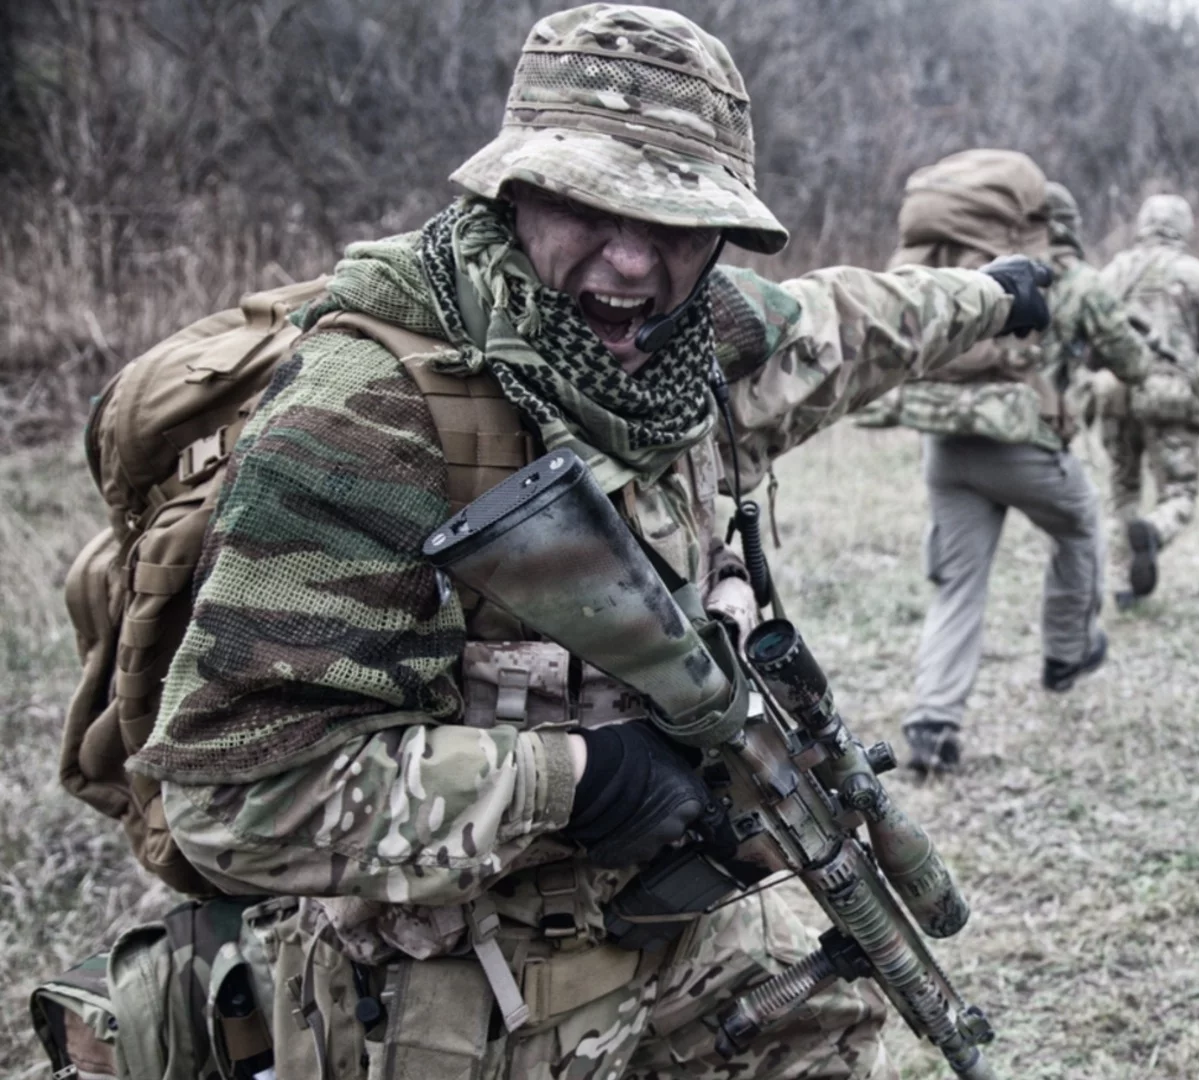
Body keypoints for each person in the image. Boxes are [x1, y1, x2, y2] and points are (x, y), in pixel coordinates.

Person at [124, 7, 1050, 1079]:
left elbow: (854, 321)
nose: (630, 261)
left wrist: (993, 297)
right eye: (588, 206)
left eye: (674, 222)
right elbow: (233, 803)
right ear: (513, 191)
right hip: (455, 999)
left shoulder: (695, 343)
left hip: (679, 933)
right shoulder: (367, 415)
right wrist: (581, 782)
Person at [887, 156, 1151, 775]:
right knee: (1080, 524)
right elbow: (1133, 363)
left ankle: (932, 725)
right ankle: (1068, 651)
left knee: (959, 585)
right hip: (1024, 448)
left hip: (947, 450)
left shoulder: (966, 273)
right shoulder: (1075, 280)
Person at [1097, 193, 1199, 608]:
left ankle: (1122, 584)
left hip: (1114, 390)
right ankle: (1155, 531)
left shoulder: (1115, 271)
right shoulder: (1194, 274)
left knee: (1122, 488)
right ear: (1184, 226)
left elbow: (1090, 330)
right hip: (1170, 395)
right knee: (1179, 490)